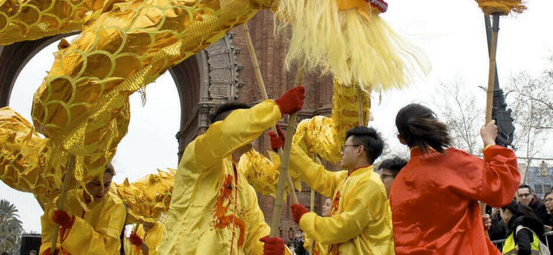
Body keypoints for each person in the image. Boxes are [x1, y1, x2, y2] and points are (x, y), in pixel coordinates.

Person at [158, 86, 305, 254]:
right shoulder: (199, 158)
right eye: (244, 122)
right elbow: (226, 133)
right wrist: (276, 107)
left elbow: (257, 235)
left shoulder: (245, 190)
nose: (253, 133)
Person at [389, 103, 520, 254]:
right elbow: (501, 186)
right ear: (435, 126)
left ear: (401, 139)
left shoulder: (399, 182)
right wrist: (490, 143)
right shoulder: (453, 163)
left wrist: (473, 222)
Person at [288, 126, 394, 254]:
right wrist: (289, 149)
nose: (341, 153)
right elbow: (319, 176)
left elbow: (344, 227)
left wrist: (305, 218)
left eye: (345, 147)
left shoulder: (370, 183)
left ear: (359, 150)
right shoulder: (347, 177)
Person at [39, 163, 127, 254]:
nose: (101, 191)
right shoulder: (64, 200)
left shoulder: (115, 205)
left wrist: (72, 224)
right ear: (85, 180)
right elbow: (49, 230)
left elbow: (105, 248)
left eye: (107, 185)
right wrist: (49, 248)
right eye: (96, 184)